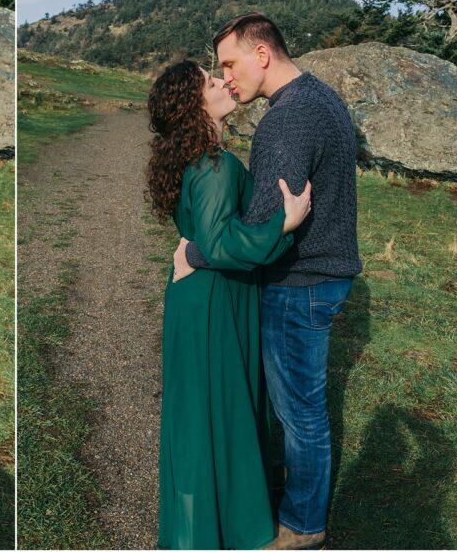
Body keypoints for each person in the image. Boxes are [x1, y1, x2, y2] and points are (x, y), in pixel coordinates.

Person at [175, 13, 362, 550]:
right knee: (294, 406)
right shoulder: (320, 98)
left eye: (229, 64)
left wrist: (196, 253)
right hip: (324, 274)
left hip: (301, 280)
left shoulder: (286, 120)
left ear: (262, 55)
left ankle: (303, 526)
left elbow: (259, 227)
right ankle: (277, 491)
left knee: (300, 413)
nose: (226, 77)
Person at [148, 59, 312, 549]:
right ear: (195, 103)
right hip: (215, 300)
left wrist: (194, 251)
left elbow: (202, 238)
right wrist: (284, 223)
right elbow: (219, 244)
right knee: (222, 411)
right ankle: (227, 532)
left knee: (201, 415)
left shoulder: (195, 158)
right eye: (210, 81)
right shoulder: (215, 165)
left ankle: (199, 531)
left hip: (198, 298)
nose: (223, 82)